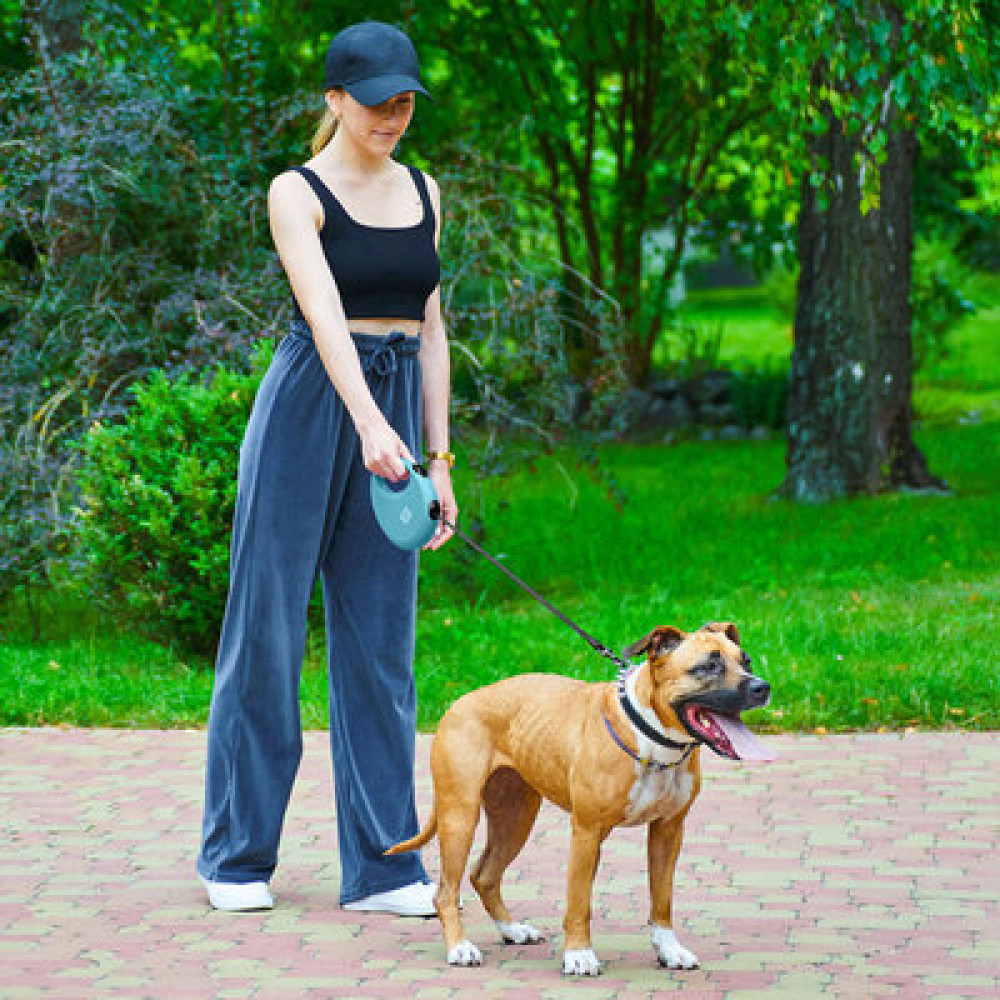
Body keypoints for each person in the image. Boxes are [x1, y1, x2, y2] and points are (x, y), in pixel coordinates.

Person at [196, 20, 457, 917]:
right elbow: (322, 315)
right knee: (266, 629)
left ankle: (383, 867)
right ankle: (236, 857)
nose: (393, 115)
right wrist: (368, 424)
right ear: (335, 99)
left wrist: (437, 459)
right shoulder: (295, 192)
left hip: (393, 399)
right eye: (377, 100)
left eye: (406, 100)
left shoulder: (424, 190)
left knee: (382, 643)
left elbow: (431, 332)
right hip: (312, 404)